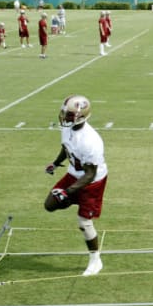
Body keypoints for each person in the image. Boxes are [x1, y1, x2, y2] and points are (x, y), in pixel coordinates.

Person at [44, 95, 108, 276]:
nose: (65, 116)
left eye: (69, 114)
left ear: (81, 116)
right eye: (64, 112)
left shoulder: (90, 141)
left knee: (84, 222)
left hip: (92, 182)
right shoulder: (68, 128)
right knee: (50, 205)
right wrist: (55, 163)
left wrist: (67, 191)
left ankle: (96, 260)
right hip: (74, 173)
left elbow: (90, 174)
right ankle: (73, 200)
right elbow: (66, 147)